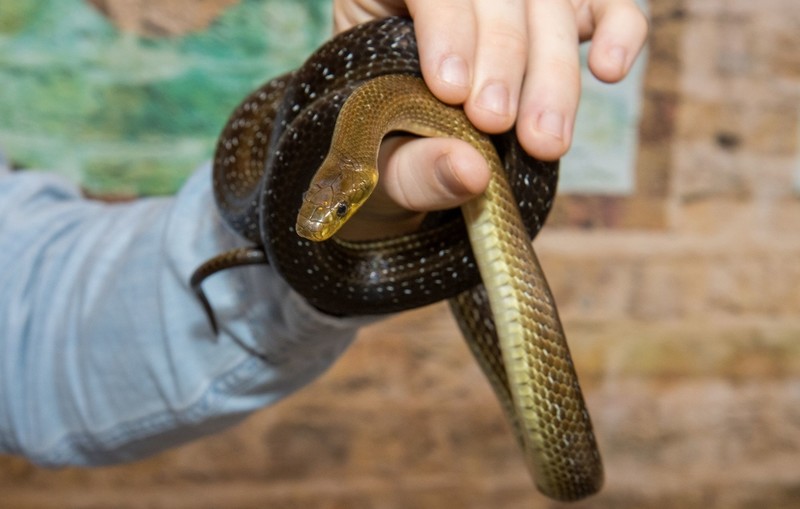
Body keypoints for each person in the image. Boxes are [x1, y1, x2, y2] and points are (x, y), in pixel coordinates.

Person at [0, 0, 648, 466]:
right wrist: (320, 232)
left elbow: (32, 318)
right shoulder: (335, 155)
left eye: (333, 213)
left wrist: (359, 226)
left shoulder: (364, 134)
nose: (319, 225)